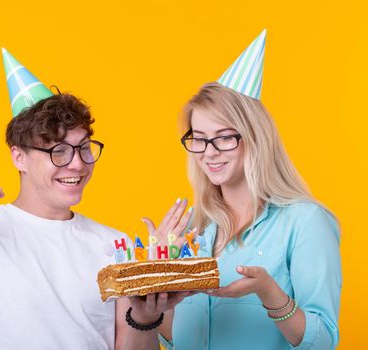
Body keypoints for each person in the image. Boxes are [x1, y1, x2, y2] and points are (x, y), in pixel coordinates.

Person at [0, 48, 184, 349]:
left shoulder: (114, 245)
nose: (78, 163)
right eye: (58, 151)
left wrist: (146, 316)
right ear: (19, 157)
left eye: (84, 147)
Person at [128, 30, 342, 349]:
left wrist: (269, 292)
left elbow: (323, 341)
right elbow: (181, 340)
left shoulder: (306, 222)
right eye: (198, 138)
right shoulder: (193, 234)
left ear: (256, 138)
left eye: (225, 137)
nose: (209, 151)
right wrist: (160, 275)